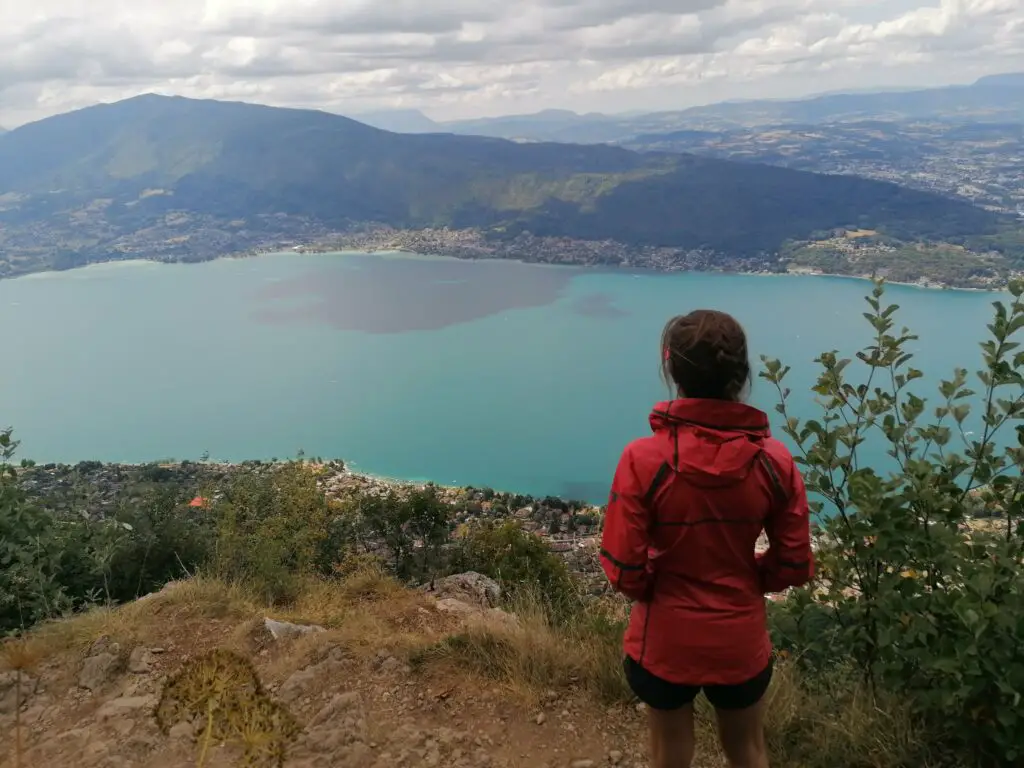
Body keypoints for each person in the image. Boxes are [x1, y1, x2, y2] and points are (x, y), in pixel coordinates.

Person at [599, 309, 813, 768]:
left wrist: (659, 588)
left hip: (664, 639)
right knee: (749, 751)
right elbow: (794, 563)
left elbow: (623, 567)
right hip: (740, 639)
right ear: (741, 373)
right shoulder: (774, 462)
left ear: (671, 369)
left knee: (670, 755)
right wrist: (751, 578)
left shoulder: (643, 459)